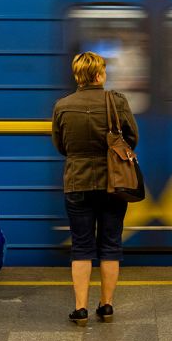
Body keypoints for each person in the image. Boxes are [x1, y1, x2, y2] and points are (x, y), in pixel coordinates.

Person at [51, 52, 138, 325]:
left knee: (81, 246)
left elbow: (60, 145)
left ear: (78, 76)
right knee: (110, 244)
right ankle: (107, 305)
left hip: (77, 181)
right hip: (114, 183)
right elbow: (132, 138)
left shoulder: (62, 106)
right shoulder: (117, 101)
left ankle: (80, 309)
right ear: (99, 75)